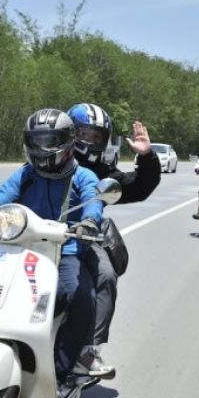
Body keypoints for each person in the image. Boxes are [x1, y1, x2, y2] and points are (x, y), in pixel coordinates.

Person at [0, 109, 101, 398]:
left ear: (68, 142)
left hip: (63, 250)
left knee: (81, 297)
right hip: (21, 248)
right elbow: (1, 198)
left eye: (49, 140)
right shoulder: (26, 174)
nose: (42, 147)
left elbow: (94, 202)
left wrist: (89, 221)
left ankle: (59, 372)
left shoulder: (83, 176)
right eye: (37, 140)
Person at [66, 103, 162, 379]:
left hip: (83, 236)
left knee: (105, 275)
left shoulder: (102, 172)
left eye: (96, 136)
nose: (89, 141)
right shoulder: (47, 157)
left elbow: (139, 188)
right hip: (39, 233)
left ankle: (87, 349)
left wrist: (146, 157)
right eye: (84, 133)